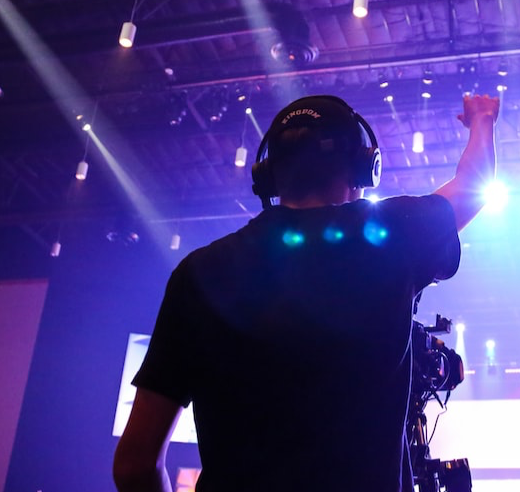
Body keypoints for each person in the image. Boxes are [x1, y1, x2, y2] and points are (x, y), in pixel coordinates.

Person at [113, 93, 500, 492]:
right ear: (365, 168)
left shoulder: (199, 274)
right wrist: (482, 119)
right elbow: (472, 186)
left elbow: (134, 466)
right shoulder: (394, 235)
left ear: (267, 174)